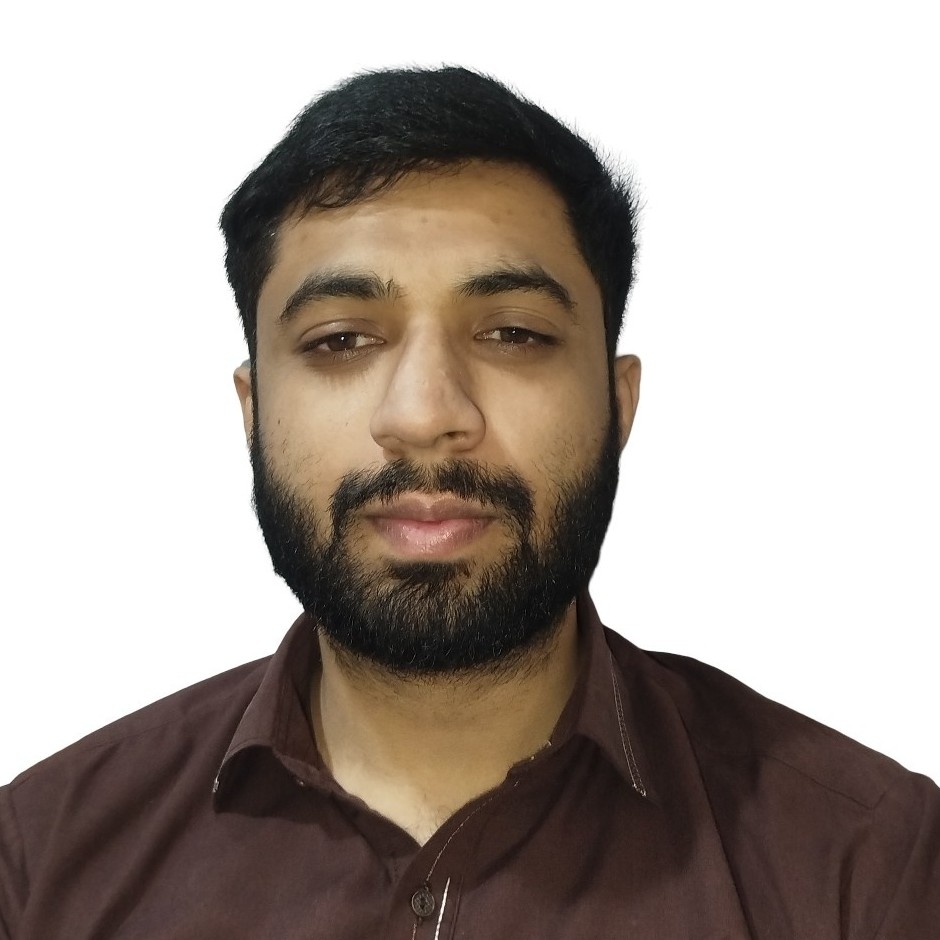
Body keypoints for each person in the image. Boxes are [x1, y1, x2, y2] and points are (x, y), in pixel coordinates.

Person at [1, 66, 937, 939]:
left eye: (513, 332)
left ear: (618, 405)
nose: (425, 415)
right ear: (253, 411)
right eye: (339, 341)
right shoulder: (42, 865)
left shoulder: (865, 867)